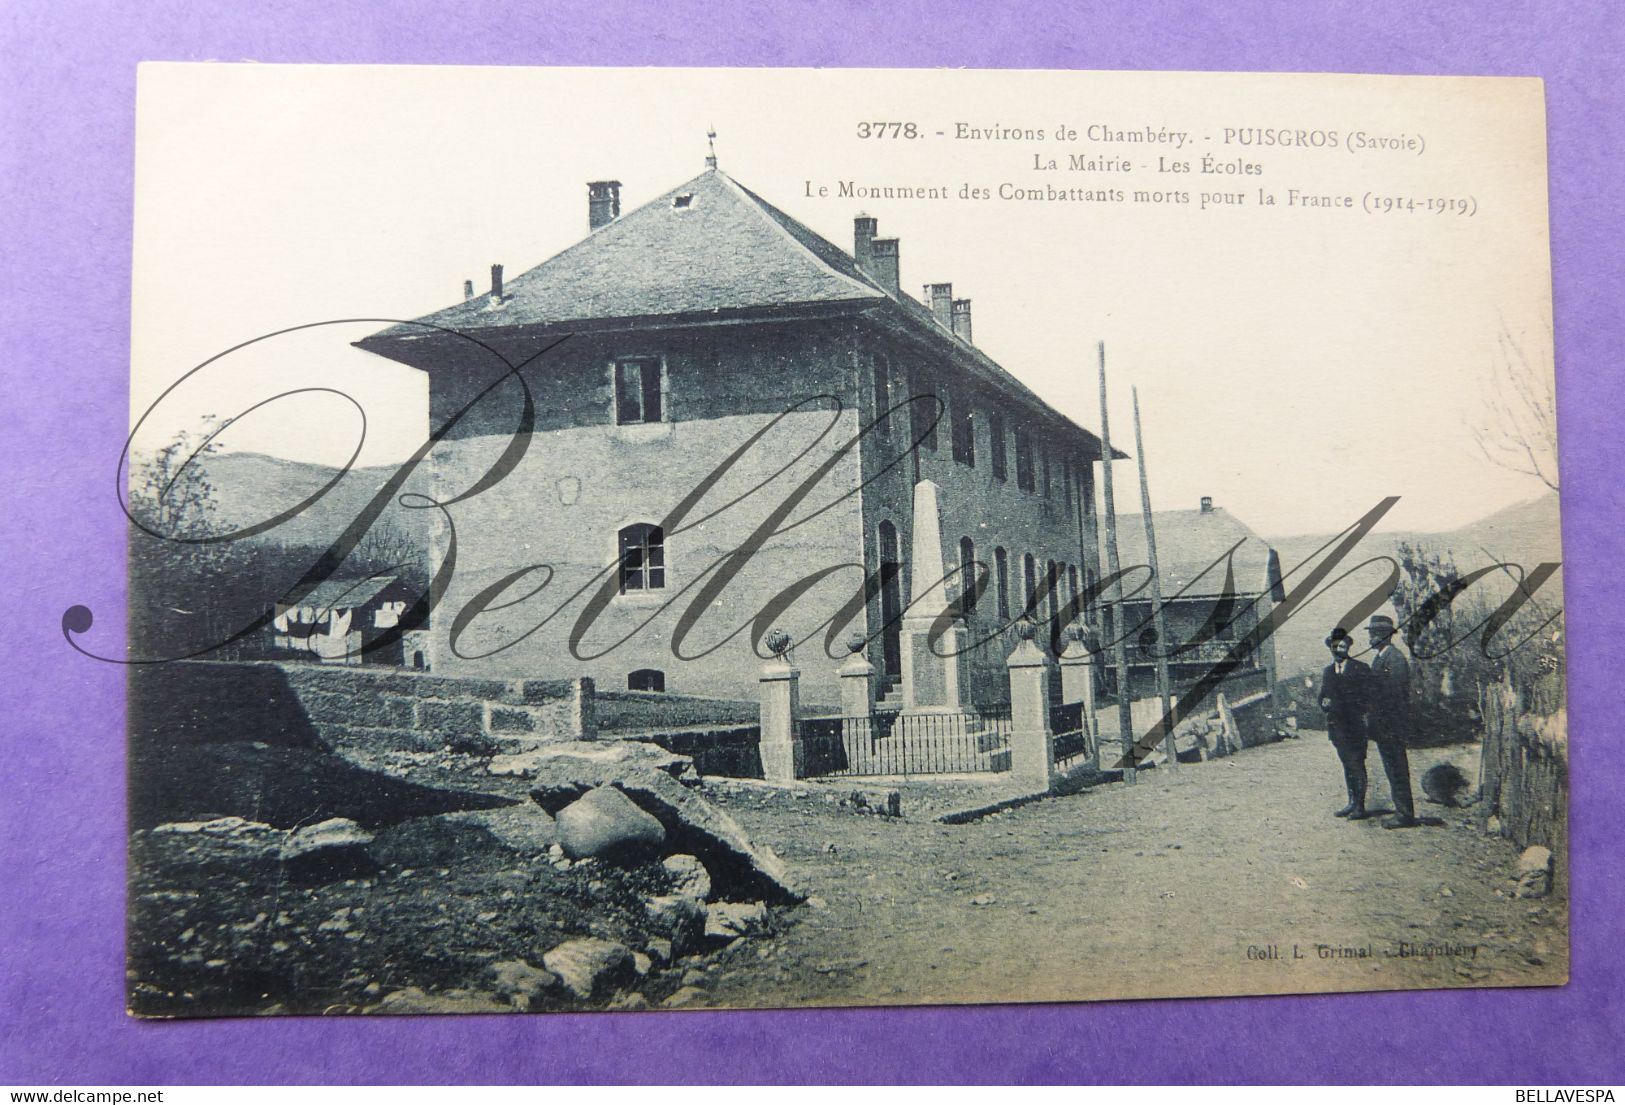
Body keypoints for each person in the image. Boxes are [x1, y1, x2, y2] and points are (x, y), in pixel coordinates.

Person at [1365, 613, 1419, 828]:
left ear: (1384, 636)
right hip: (1384, 725)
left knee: (1397, 769)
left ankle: (1405, 814)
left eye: (1375, 634)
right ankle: (1402, 811)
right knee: (1392, 768)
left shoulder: (1395, 659)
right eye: (1371, 633)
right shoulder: (1380, 658)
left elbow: (1395, 695)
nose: (1371, 638)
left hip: (1392, 725)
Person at [1317, 627, 1372, 819]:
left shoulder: (1360, 668)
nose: (1338, 649)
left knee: (1357, 764)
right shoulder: (1328, 672)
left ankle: (1360, 806)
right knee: (1347, 765)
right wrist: (1324, 703)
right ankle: (1351, 802)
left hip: (1355, 726)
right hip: (1337, 727)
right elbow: (1323, 696)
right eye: (1335, 646)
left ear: (1348, 647)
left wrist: (1356, 709)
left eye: (1342, 645)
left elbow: (1368, 698)